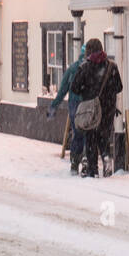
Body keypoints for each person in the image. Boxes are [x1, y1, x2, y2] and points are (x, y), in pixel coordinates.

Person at [68, 38, 123, 178]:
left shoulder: (85, 67)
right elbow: (119, 87)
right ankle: (106, 157)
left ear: (89, 51)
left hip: (91, 109)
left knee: (91, 137)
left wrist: (87, 92)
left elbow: (74, 88)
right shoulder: (112, 67)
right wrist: (107, 95)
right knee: (104, 136)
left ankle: (93, 170)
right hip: (108, 109)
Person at [48, 43, 87, 175]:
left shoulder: (73, 68)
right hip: (89, 105)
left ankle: (75, 163)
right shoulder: (93, 68)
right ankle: (86, 160)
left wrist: (54, 105)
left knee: (77, 134)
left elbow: (63, 90)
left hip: (75, 105)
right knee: (89, 133)